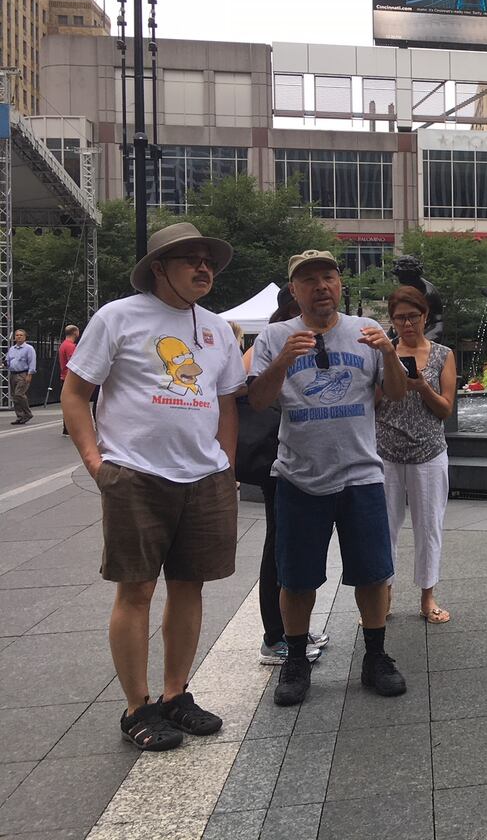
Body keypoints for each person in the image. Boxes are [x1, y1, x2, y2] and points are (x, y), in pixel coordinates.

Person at [61, 222, 246, 752]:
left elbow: (227, 402)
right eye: (190, 259)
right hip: (136, 475)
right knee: (136, 590)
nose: (203, 267)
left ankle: (175, 696)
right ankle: (136, 706)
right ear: (159, 269)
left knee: (191, 585)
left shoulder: (216, 329)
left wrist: (226, 467)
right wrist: (98, 464)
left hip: (204, 477)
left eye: (207, 259)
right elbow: (77, 394)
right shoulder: (117, 317)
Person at [247, 250, 409, 707]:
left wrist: (388, 353)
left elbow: (395, 395)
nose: (321, 286)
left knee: (373, 574)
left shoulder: (365, 331)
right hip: (299, 476)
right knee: (296, 579)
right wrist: (281, 362)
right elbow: (257, 402)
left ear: (340, 285)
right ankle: (295, 660)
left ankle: (375, 656)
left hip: (361, 473)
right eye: (309, 280)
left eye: (328, 277)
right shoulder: (275, 335)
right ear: (294, 291)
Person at [240, 289, 328, 666]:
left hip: (296, 457)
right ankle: (275, 636)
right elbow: (248, 391)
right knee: (278, 547)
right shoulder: (270, 342)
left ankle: (291, 629)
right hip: (275, 458)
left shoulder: (299, 340)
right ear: (294, 308)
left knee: (288, 544)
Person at [376, 287, 457, 623]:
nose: (406, 324)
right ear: (392, 321)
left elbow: (445, 410)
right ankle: (385, 594)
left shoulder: (443, 355)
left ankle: (427, 596)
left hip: (428, 452)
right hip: (386, 453)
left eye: (412, 316)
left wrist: (423, 386)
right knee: (384, 528)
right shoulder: (384, 353)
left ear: (425, 316)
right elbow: (374, 402)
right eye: (399, 318)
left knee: (428, 528)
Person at [6, 328, 36, 425]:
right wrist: (4, 365)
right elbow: (8, 361)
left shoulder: (29, 349)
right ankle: (20, 416)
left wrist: (30, 374)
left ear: (25, 337)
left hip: (23, 374)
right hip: (13, 374)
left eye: (21, 335)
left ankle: (27, 413)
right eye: (17, 335)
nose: (18, 337)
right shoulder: (12, 349)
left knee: (19, 394)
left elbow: (32, 362)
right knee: (14, 396)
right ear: (14, 337)